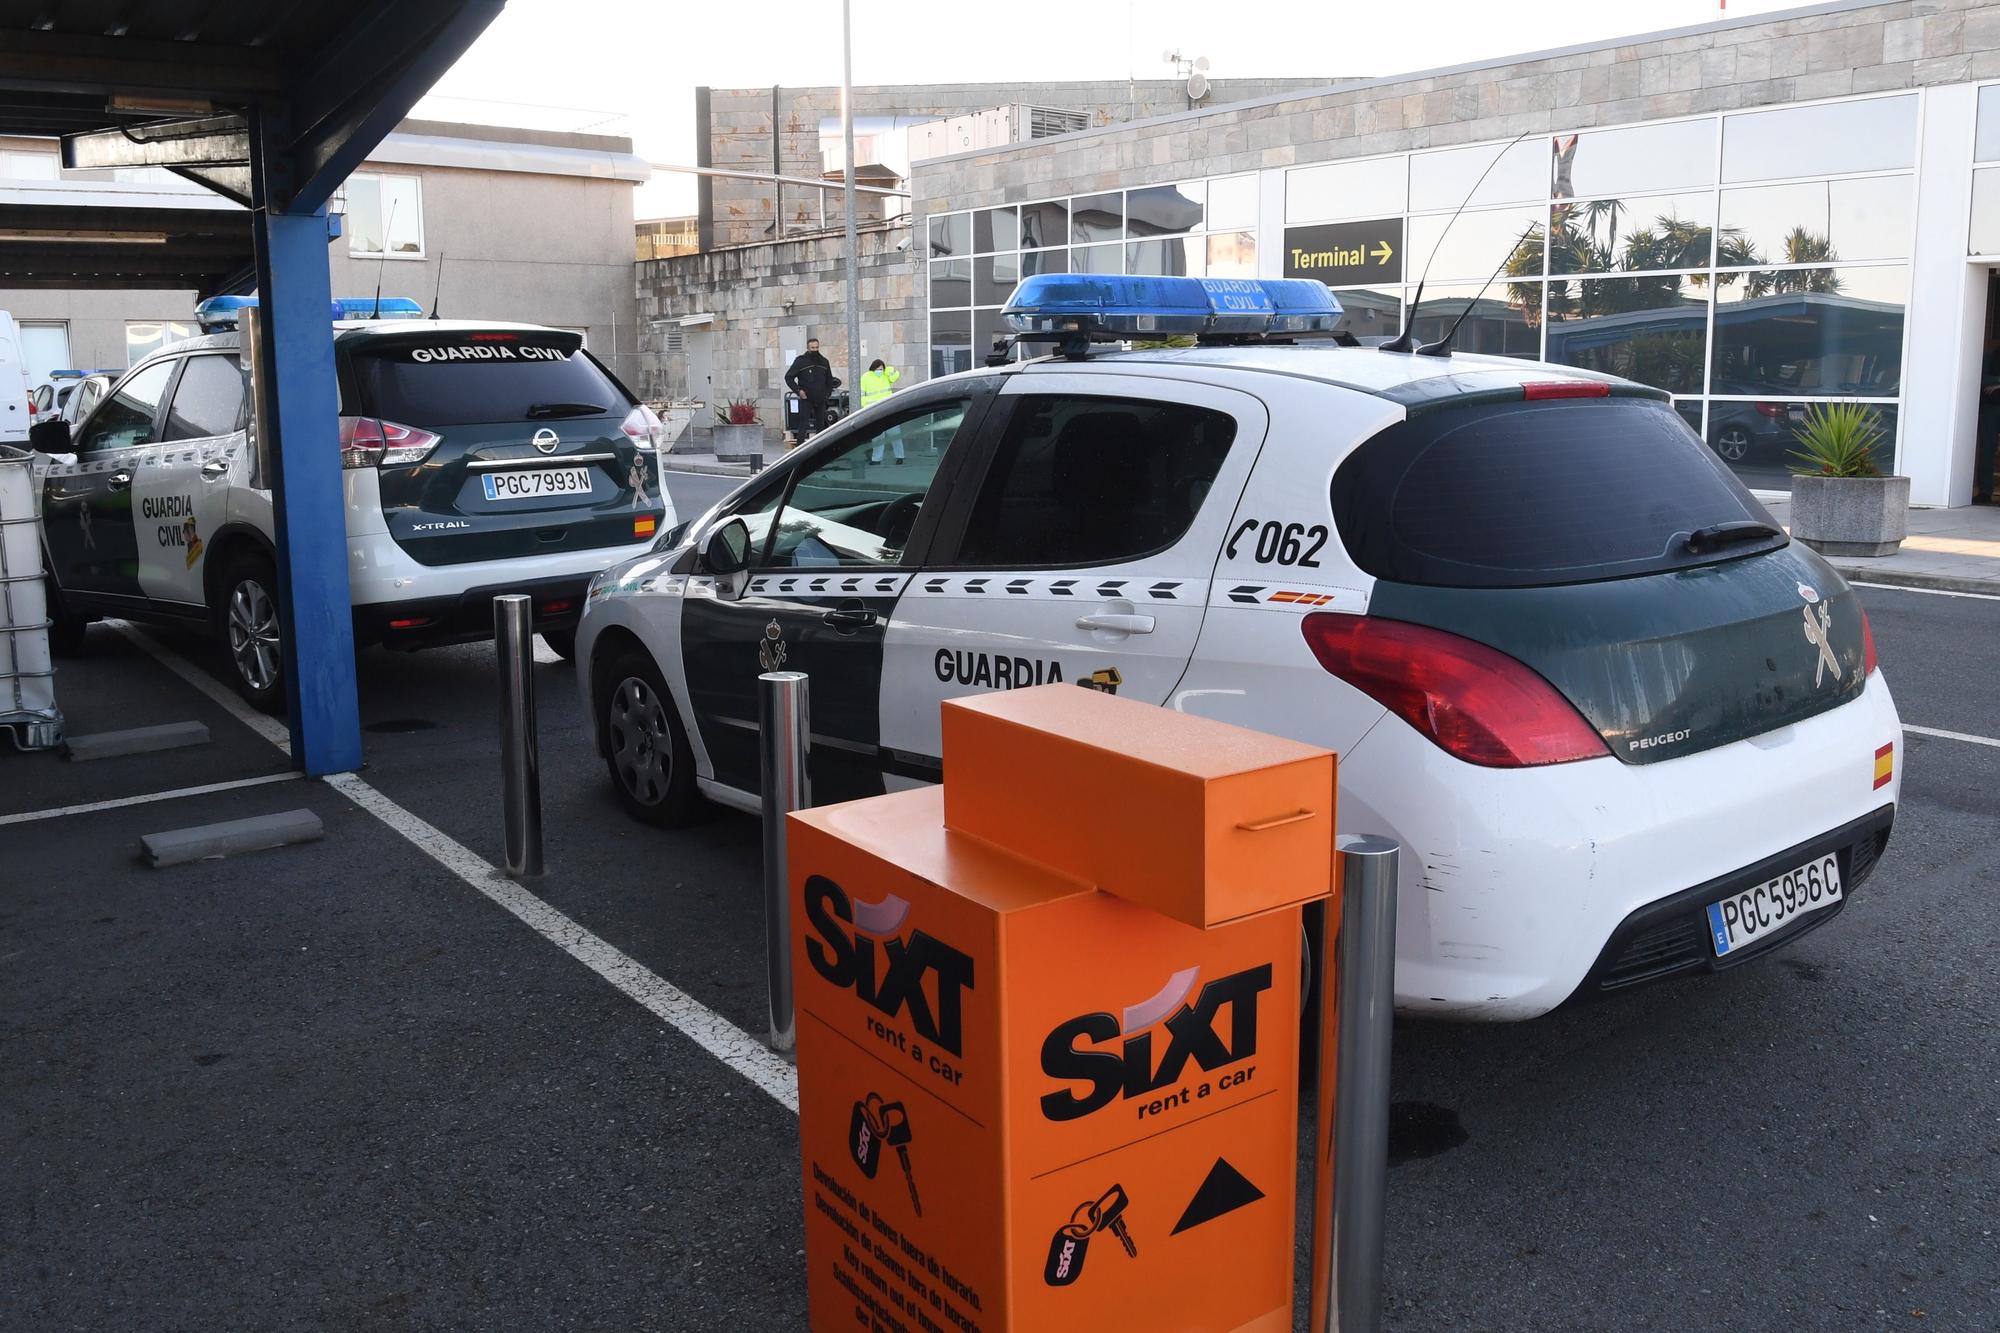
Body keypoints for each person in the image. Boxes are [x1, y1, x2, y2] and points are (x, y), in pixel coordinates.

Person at [784, 338, 837, 442]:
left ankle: (821, 448)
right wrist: (799, 391)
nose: (815, 350)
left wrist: (827, 394)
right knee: (803, 424)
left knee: (821, 425)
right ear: (808, 348)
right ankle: (799, 448)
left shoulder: (824, 361)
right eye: (812, 348)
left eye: (817, 347)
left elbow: (829, 380)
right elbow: (788, 377)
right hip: (806, 398)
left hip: (821, 398)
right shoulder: (801, 361)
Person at [861, 359, 904, 464]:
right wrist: (866, 407)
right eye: (878, 369)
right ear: (873, 368)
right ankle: (876, 459)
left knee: (895, 434)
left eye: (881, 369)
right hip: (874, 410)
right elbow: (862, 394)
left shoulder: (886, 375)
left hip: (889, 409)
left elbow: (896, 376)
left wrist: (890, 370)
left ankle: (900, 456)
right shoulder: (866, 377)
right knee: (878, 436)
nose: (879, 370)